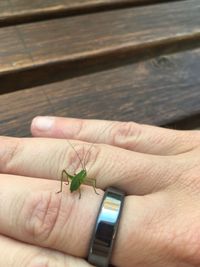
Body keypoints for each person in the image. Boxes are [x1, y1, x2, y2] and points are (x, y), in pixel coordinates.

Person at [0, 116, 200, 267]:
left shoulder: (85, 177)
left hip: (79, 186)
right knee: (73, 178)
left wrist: (94, 194)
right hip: (73, 186)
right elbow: (83, 181)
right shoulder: (79, 177)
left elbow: (91, 182)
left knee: (90, 182)